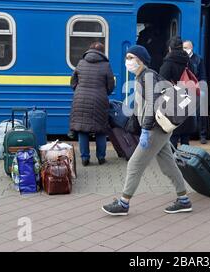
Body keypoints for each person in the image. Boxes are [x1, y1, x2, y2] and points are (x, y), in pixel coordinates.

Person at [102, 45, 192, 216]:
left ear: (140, 60)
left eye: (130, 57)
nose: (127, 61)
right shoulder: (142, 77)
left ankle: (124, 203)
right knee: (168, 166)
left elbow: (152, 105)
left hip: (155, 129)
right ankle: (184, 200)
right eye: (127, 58)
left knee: (135, 164)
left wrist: (145, 130)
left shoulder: (147, 77)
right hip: (158, 128)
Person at [70, 42, 115, 166]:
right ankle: (101, 157)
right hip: (99, 100)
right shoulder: (106, 65)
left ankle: (85, 158)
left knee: (83, 129)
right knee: (100, 129)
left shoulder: (81, 63)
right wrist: (104, 92)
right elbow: (111, 86)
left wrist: (79, 91)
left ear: (89, 50)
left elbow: (73, 82)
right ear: (102, 52)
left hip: (80, 99)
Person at [160, 37, 197, 147]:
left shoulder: (168, 63)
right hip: (187, 98)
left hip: (174, 100)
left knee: (174, 134)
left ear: (170, 48)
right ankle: (186, 158)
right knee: (185, 136)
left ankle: (174, 160)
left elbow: (162, 82)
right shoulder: (188, 61)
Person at [183, 40, 208, 144]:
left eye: (187, 47)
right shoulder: (182, 59)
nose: (186, 50)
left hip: (197, 87)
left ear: (192, 47)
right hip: (185, 88)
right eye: (184, 48)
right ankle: (185, 135)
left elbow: (203, 76)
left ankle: (203, 135)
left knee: (201, 111)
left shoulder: (198, 59)